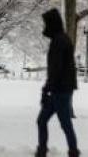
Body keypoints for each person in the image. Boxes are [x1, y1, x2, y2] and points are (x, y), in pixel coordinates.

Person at [36, 8, 79, 157]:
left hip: (60, 90)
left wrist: (47, 88)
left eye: (46, 23)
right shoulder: (61, 39)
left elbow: (56, 68)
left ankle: (71, 151)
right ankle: (44, 150)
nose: (44, 27)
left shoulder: (59, 41)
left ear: (52, 24)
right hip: (60, 89)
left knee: (63, 123)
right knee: (46, 121)